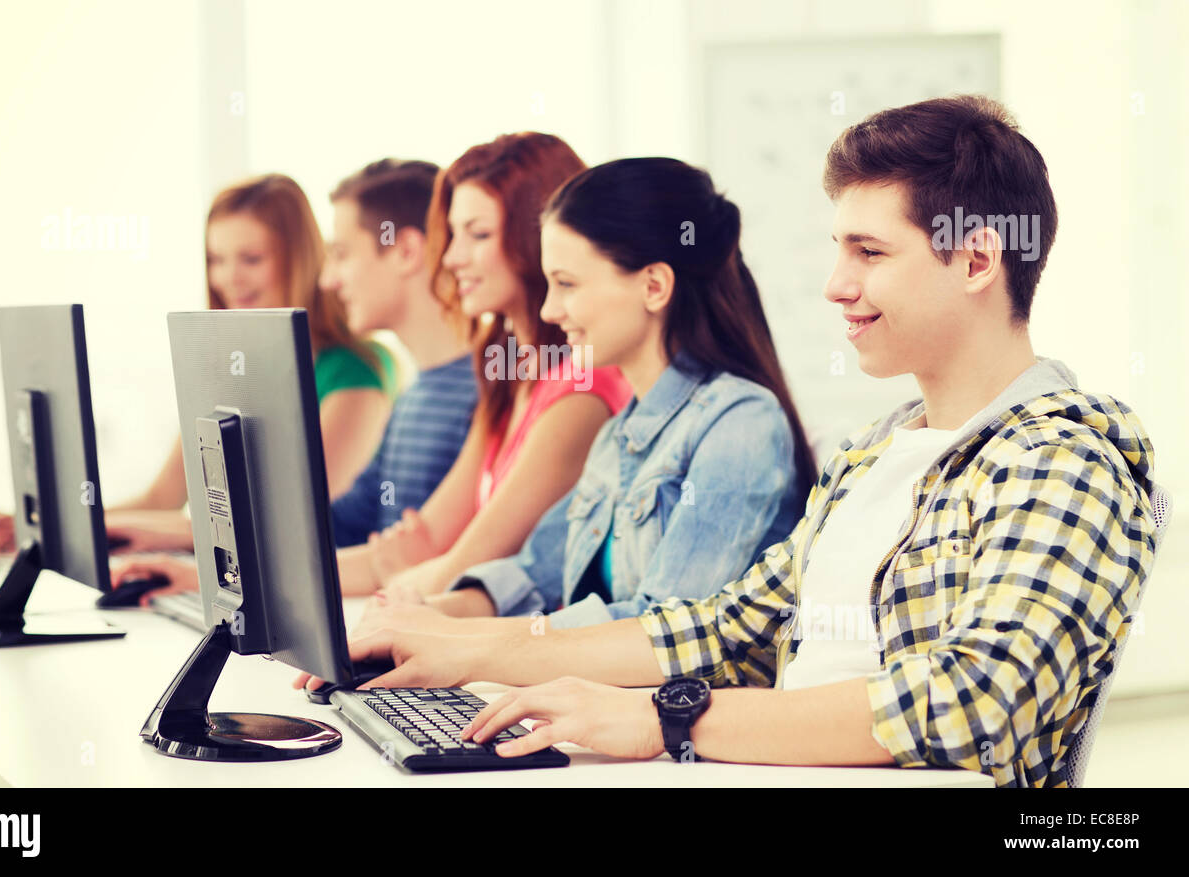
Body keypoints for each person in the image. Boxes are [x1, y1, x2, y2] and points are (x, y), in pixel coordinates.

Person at [320, 96, 1160, 789]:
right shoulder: (874, 452)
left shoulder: (1062, 458)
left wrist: (665, 718)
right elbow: (722, 624)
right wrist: (467, 646)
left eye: (869, 251)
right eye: (839, 249)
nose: (836, 285)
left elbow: (979, 698)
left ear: (978, 261)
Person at [358, 157, 814, 635]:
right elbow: (533, 575)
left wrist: (451, 636)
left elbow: (664, 629)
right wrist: (422, 615)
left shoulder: (740, 423)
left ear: (654, 286)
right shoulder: (619, 434)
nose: (551, 310)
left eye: (567, 284)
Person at [114, 159, 479, 600]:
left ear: (404, 252)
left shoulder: (484, 393)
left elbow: (434, 562)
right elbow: (337, 525)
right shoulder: (419, 393)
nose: (327, 278)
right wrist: (201, 573)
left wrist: (195, 557)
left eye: (340, 255)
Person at [0, 173, 396, 555]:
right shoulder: (230, 371)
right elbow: (163, 499)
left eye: (251, 259)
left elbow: (297, 522)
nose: (229, 277)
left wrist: (74, 533)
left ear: (300, 259)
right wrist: (43, 527)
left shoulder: (354, 372)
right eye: (216, 259)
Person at [337, 133, 633, 598]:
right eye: (453, 234)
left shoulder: (583, 387)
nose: (452, 257)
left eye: (478, 234)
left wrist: (403, 578)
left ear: (542, 237)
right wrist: (249, 588)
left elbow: (460, 569)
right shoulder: (506, 378)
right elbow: (421, 547)